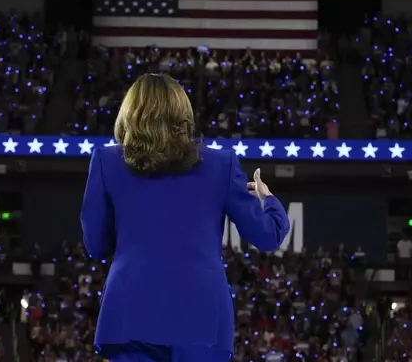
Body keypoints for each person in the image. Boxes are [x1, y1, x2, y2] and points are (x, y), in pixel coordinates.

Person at [81, 73, 290, 362]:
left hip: (129, 313)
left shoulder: (105, 161)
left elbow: (96, 245)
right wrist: (267, 199)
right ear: (183, 114)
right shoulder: (222, 163)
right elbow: (268, 236)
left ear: (129, 113)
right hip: (201, 316)